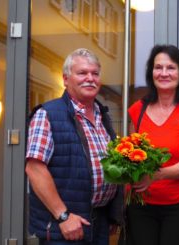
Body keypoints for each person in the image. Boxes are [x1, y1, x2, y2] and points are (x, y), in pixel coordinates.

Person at [25, 48, 124, 244]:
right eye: (82, 73)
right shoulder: (48, 114)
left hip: (98, 222)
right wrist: (63, 216)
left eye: (95, 73)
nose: (90, 78)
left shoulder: (102, 116)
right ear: (65, 79)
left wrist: (112, 213)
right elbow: (34, 169)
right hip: (63, 226)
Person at [124, 44, 179, 245]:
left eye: (171, 68)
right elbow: (131, 159)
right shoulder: (137, 110)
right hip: (141, 205)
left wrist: (156, 175)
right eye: (158, 67)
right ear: (151, 73)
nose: (164, 73)